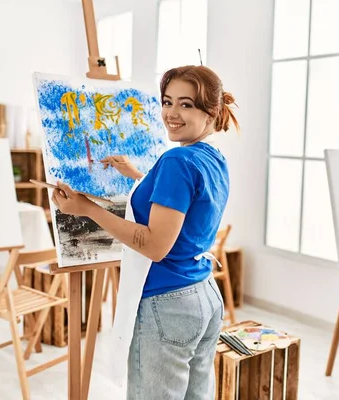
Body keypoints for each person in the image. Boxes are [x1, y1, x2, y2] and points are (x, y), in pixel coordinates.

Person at [50, 65, 239, 399]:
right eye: (167, 102)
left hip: (168, 302)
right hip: (203, 294)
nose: (171, 113)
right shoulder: (212, 157)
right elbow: (183, 204)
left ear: (211, 112)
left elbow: (154, 245)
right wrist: (137, 175)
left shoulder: (176, 162)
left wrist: (87, 209)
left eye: (186, 104)